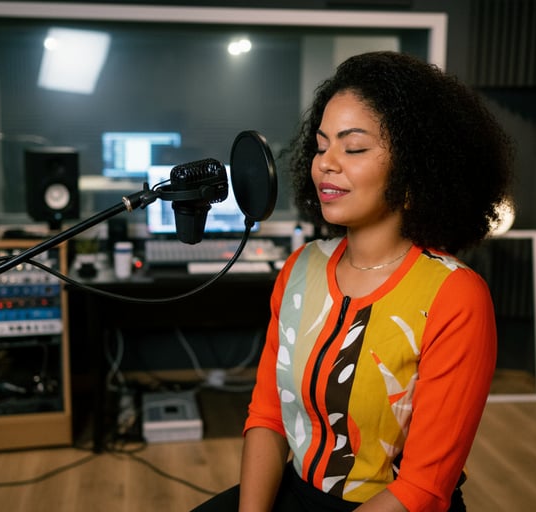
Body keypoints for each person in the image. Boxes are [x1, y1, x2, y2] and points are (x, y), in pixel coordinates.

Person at [192, 50, 514, 512]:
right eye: (321, 146)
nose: (326, 163)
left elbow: (422, 488)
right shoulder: (300, 267)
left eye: (354, 147)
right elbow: (268, 415)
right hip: (295, 492)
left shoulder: (456, 296)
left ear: (414, 168)